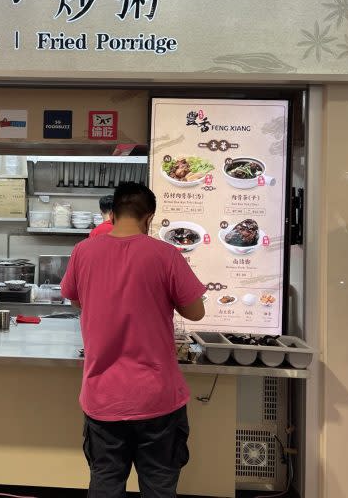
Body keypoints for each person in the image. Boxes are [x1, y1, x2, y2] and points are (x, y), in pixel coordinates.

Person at [61, 182, 206, 498]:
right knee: (158, 486)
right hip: (157, 398)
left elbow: (74, 299)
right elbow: (195, 312)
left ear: (112, 214)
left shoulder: (84, 252)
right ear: (149, 217)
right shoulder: (166, 254)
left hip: (103, 398)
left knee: (106, 483)